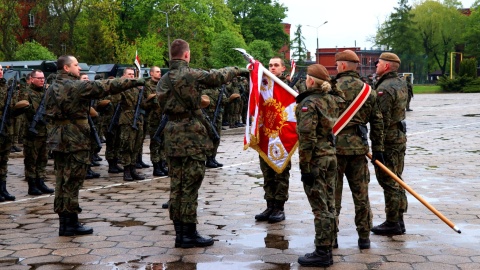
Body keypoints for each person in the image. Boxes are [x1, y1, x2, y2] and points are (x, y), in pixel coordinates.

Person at [156, 39, 247, 248]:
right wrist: (240, 69)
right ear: (186, 55)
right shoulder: (190, 74)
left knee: (176, 186)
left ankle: (180, 234)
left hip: (171, 132)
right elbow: (218, 76)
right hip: (190, 135)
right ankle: (189, 234)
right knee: (190, 186)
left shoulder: (163, 80)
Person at [45, 55, 145, 236]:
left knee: (62, 180)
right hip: (74, 138)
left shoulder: (52, 86)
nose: (79, 68)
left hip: (58, 139)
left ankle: (66, 222)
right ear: (66, 68)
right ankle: (70, 223)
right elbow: (105, 86)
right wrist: (133, 82)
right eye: (75, 65)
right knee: (73, 181)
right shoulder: (75, 86)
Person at [332, 50, 384, 250]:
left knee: (332, 197)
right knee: (361, 196)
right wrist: (377, 149)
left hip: (334, 150)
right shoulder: (368, 91)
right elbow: (377, 122)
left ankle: (331, 237)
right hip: (358, 150)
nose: (336, 68)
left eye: (337, 65)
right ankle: (364, 237)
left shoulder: (331, 89)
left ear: (343, 66)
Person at [295, 64, 341, 267]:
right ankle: (329, 245)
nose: (305, 80)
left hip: (316, 159)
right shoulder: (331, 99)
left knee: (320, 207)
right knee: (330, 204)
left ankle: (322, 251)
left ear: (311, 81)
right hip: (331, 156)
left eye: (307, 77)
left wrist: (304, 168)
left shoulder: (309, 103)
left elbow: (306, 137)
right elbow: (341, 98)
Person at [371, 52, 408, 235]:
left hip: (389, 139)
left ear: (386, 66)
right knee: (397, 178)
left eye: (378, 63)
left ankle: (393, 221)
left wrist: (377, 147)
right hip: (399, 135)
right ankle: (399, 219)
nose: (375, 65)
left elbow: (381, 120)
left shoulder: (384, 88)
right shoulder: (401, 82)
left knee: (389, 180)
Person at [254, 57, 291, 223]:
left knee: (280, 174)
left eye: (276, 65)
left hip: (281, 138)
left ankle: (279, 207)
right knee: (267, 173)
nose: (272, 68)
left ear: (283, 68)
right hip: (266, 136)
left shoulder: (288, 88)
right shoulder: (264, 86)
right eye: (270, 65)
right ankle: (269, 205)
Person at [19, 70, 55, 196]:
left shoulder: (46, 93)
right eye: (39, 78)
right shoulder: (26, 93)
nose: (41, 80)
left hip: (44, 132)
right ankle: (32, 184)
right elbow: (23, 108)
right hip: (32, 132)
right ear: (32, 79)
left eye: (43, 78)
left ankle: (41, 181)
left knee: (43, 158)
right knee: (31, 160)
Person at [118, 68, 146, 181]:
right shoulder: (122, 89)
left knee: (137, 145)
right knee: (127, 145)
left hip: (138, 118)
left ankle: (133, 168)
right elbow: (116, 100)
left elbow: (143, 104)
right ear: (124, 76)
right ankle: (127, 170)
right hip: (127, 119)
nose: (131, 76)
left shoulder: (136, 89)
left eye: (132, 74)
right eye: (129, 74)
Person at [0, 64, 23, 201]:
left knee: (3, 160)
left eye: (2, 70)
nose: (1, 72)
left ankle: (3, 188)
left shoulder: (7, 87)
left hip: (6, 129)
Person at [144, 66, 167, 177]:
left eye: (160, 72)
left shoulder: (162, 85)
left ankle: (162, 164)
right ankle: (156, 166)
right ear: (151, 73)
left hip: (163, 118)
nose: (159, 73)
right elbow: (144, 103)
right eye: (157, 72)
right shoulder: (147, 86)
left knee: (163, 143)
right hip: (153, 119)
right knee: (155, 144)